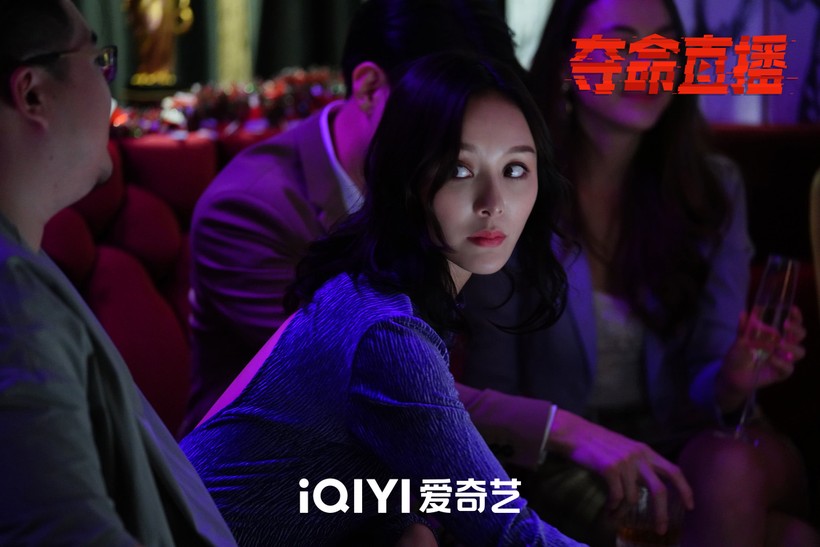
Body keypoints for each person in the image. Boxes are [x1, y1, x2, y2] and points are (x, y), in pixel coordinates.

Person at [181, 51, 585, 547]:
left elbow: (366, 491)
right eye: (460, 169)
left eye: (516, 169)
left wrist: (408, 525)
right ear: (405, 177)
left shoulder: (383, 293)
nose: (493, 203)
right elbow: (509, 532)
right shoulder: (386, 331)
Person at [461, 0, 818, 545]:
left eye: (667, 45)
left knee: (727, 471)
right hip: (567, 451)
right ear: (567, 62)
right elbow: (496, 397)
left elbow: (709, 389)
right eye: (624, 45)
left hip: (692, 438)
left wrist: (733, 376)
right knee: (787, 539)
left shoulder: (711, 188)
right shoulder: (512, 188)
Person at [0, 1, 236, 544]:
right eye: (97, 60)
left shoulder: (25, 264)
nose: (108, 88)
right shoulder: (12, 299)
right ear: (33, 94)